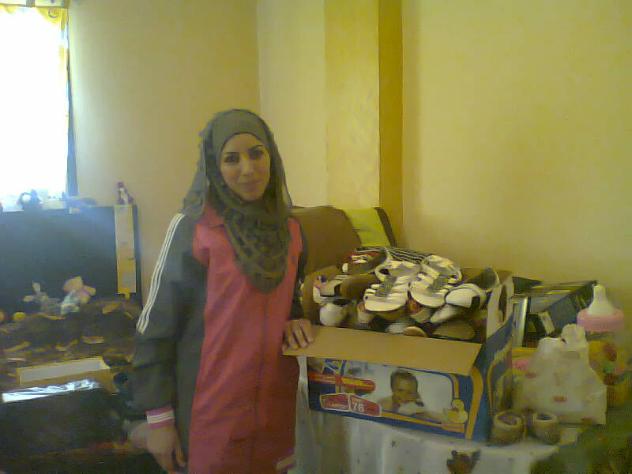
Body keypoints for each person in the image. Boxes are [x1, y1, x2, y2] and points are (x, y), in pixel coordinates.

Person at [132, 109, 314, 474]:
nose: (248, 169)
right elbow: (155, 328)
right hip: (209, 413)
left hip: (273, 408)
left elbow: (289, 290)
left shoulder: (290, 229)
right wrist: (159, 421)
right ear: (214, 167)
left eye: (257, 153)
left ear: (272, 156)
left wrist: (295, 317)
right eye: (231, 159)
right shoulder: (194, 229)